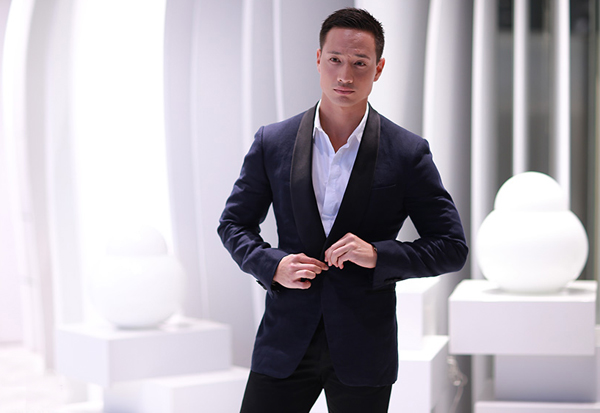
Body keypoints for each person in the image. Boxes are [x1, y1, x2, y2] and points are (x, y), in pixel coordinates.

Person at [218, 7, 468, 413]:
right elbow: (234, 223)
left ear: (379, 68)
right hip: (284, 344)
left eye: (359, 63)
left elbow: (451, 246)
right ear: (319, 59)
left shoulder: (408, 153)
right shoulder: (273, 142)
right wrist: (273, 265)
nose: (345, 75)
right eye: (335, 59)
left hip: (364, 349)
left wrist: (379, 254)